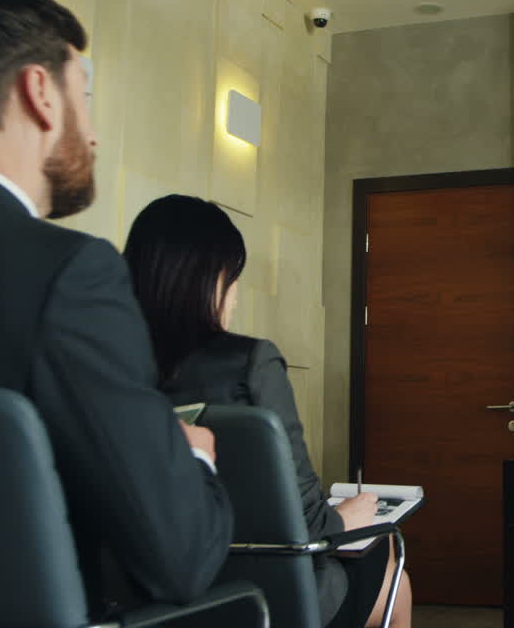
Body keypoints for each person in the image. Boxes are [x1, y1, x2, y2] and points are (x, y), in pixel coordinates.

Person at [0, 0, 232, 617]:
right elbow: (180, 558)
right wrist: (193, 461)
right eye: (84, 98)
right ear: (41, 95)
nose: (94, 138)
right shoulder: (71, 274)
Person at [123, 194, 413, 628]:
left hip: (145, 592)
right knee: (393, 571)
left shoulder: (108, 373)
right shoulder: (250, 363)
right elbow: (306, 519)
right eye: (233, 278)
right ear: (212, 279)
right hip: (263, 595)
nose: (235, 297)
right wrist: (348, 515)